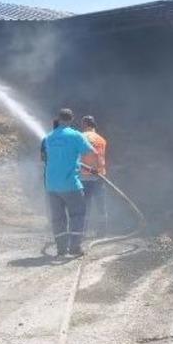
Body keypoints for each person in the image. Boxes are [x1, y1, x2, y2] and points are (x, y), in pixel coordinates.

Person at [40, 108, 95, 257]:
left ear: (58, 119)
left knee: (58, 218)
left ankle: (61, 249)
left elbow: (44, 157)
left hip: (51, 186)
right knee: (77, 215)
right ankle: (75, 248)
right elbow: (90, 152)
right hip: (70, 184)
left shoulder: (48, 137)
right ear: (71, 119)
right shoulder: (76, 135)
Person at [80, 115, 108, 237]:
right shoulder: (101, 139)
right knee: (101, 204)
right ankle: (102, 231)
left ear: (85, 124)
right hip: (100, 176)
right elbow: (100, 157)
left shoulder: (81, 137)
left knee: (85, 205)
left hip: (85, 176)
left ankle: (83, 231)